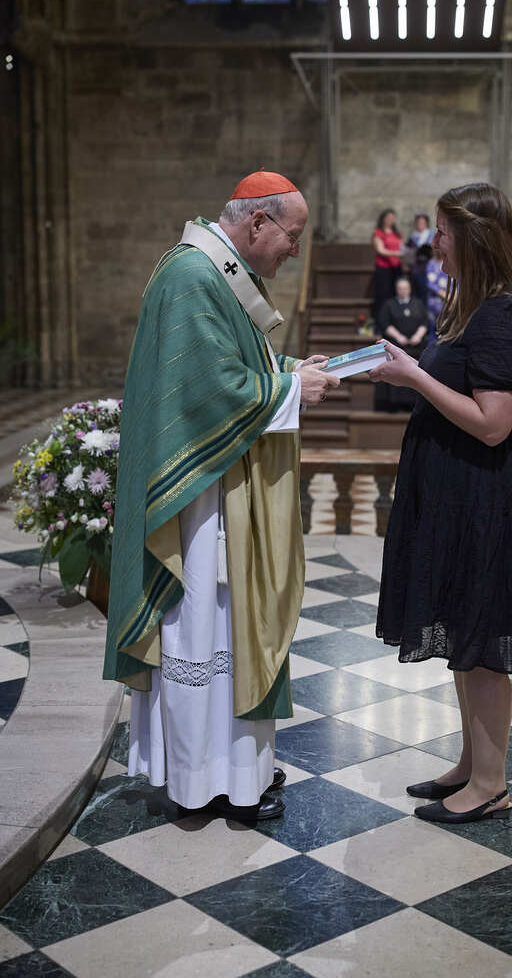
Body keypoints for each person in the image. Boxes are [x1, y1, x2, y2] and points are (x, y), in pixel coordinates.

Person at [103, 169, 340, 823]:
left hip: (221, 487)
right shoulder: (192, 275)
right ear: (258, 221)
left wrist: (288, 371)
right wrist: (289, 392)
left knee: (231, 634)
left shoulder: (217, 270)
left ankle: (239, 767)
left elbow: (234, 365)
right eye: (292, 235)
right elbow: (207, 393)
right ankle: (207, 780)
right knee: (206, 631)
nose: (295, 249)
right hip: (202, 504)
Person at [369, 182, 512, 825]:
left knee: (484, 643)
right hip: (455, 500)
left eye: (443, 234)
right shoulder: (471, 308)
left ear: (472, 238)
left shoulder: (505, 316)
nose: (434, 244)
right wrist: (412, 367)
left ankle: (492, 786)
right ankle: (472, 764)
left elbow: (494, 424)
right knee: (462, 633)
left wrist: (414, 376)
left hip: (483, 503)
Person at [374, 277, 429, 412]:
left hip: (416, 347)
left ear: (409, 289)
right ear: (396, 290)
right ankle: (395, 404)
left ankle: (414, 403)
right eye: (400, 288)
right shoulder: (389, 304)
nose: (403, 291)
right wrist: (399, 337)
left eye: (405, 288)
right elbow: (384, 323)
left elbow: (425, 322)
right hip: (396, 346)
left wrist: (418, 336)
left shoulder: (418, 303)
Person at [371, 209, 403, 321]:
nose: (390, 220)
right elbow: (380, 250)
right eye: (388, 218)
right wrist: (396, 253)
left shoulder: (397, 234)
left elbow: (402, 247)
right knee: (383, 295)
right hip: (383, 268)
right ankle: (380, 321)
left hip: (396, 267)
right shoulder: (378, 233)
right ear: (383, 219)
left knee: (395, 294)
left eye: (392, 218)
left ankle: (394, 319)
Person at [406, 214, 435, 305]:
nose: (420, 224)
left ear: (426, 224)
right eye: (418, 222)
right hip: (414, 269)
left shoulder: (431, 236)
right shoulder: (413, 237)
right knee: (414, 294)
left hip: (427, 269)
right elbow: (408, 251)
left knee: (424, 293)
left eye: (422, 222)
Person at [425, 252, 450, 341]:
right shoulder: (431, 263)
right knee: (434, 328)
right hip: (436, 301)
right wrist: (446, 295)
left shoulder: (452, 261)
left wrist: (455, 296)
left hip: (452, 300)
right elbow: (430, 283)